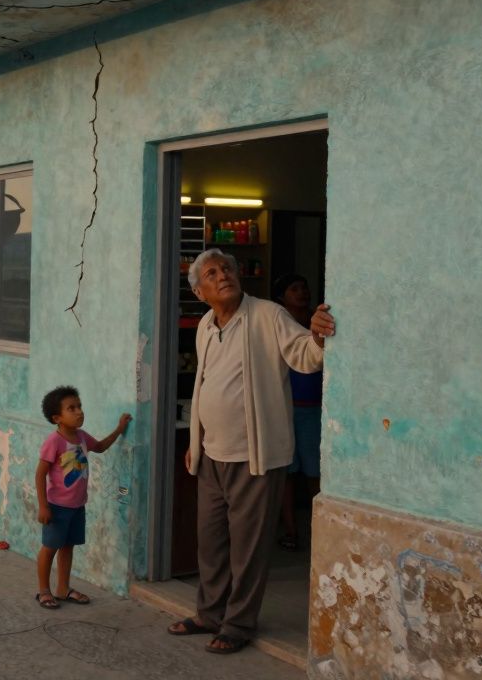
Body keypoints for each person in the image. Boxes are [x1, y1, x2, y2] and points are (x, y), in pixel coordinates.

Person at [167, 248, 335, 654]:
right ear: (200, 292)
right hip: (211, 455)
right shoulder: (206, 325)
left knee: (248, 547)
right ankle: (209, 613)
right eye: (211, 273)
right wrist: (196, 443)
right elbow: (204, 385)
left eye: (226, 268)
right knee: (210, 542)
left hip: (254, 456)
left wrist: (315, 334)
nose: (223, 275)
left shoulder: (267, 315)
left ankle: (238, 623)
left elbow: (306, 357)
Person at [34, 386, 131, 610]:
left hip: (77, 506)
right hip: (57, 507)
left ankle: (63, 588)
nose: (79, 412)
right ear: (57, 418)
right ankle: (44, 591)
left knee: (68, 547)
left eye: (79, 407)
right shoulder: (54, 441)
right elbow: (40, 474)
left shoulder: (81, 437)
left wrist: (120, 428)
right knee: (49, 549)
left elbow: (100, 447)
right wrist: (43, 506)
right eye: (72, 408)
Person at [271, 274, 323, 551]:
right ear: (282, 297)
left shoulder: (318, 324)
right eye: (294, 288)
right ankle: (291, 530)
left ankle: (321, 533)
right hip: (286, 409)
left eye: (304, 288)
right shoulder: (279, 326)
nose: (302, 292)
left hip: (315, 410)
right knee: (287, 474)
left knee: (316, 474)